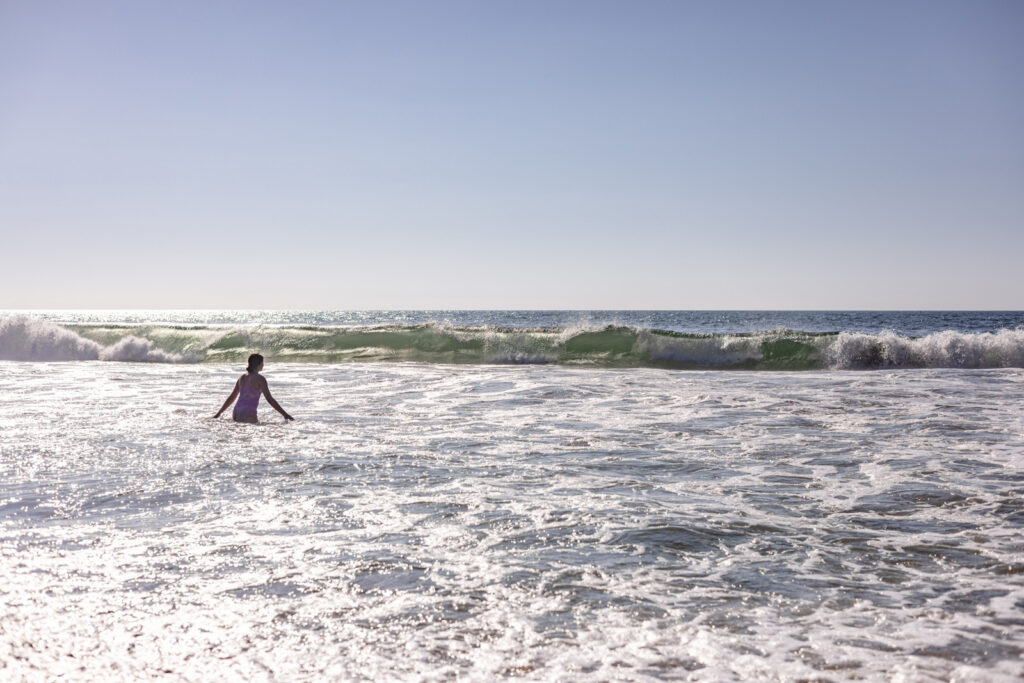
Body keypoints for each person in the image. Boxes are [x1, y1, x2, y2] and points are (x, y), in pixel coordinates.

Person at [213, 353, 294, 423]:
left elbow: (231, 398)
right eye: (262, 363)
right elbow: (270, 399)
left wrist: (219, 413)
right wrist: (285, 414)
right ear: (259, 364)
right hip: (249, 414)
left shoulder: (242, 378)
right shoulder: (260, 379)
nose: (263, 365)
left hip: (236, 413)